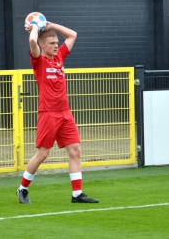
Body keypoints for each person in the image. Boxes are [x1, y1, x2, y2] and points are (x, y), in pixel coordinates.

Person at [16, 20, 99, 204]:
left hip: (65, 113)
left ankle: (77, 194)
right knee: (43, 154)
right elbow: (32, 42)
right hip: (48, 112)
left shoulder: (60, 56)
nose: (56, 46)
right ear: (42, 45)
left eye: (56, 43)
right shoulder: (39, 60)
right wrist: (36, 27)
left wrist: (50, 24)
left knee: (75, 150)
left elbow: (72, 35)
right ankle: (22, 188)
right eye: (52, 44)